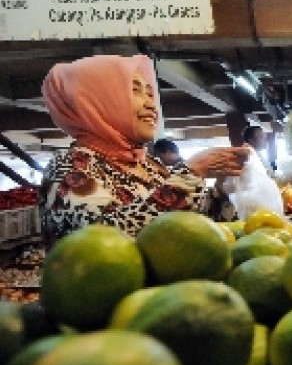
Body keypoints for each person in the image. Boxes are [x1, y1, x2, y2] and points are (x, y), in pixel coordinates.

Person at [39, 54, 250, 247]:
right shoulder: (69, 168)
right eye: (135, 91)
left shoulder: (149, 165)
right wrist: (190, 176)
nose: (151, 105)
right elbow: (106, 239)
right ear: (94, 101)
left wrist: (220, 192)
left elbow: (187, 228)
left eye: (150, 94)